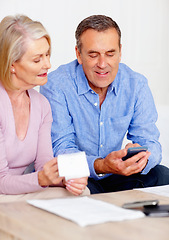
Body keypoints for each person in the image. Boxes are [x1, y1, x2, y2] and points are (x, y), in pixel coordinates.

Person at [40, 15, 169, 194]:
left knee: (162, 175)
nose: (102, 64)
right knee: (75, 190)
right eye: (93, 55)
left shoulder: (136, 84)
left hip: (117, 175)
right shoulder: (56, 85)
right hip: (78, 176)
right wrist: (101, 165)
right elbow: (62, 148)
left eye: (110, 54)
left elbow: (150, 141)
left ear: (120, 51)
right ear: (78, 54)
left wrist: (140, 157)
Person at [0, 15, 88, 196]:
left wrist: (65, 178)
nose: (48, 64)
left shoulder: (41, 104)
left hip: (22, 189)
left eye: (47, 54)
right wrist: (41, 179)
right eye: (37, 59)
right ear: (12, 64)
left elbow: (44, 165)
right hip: (3, 190)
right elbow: (1, 181)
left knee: (81, 192)